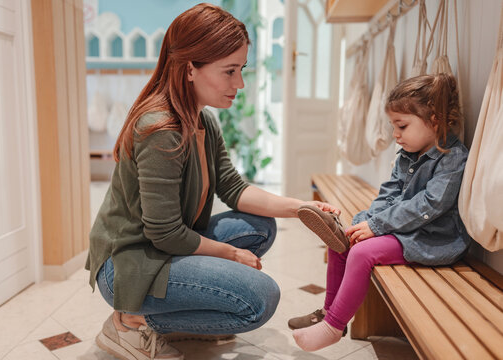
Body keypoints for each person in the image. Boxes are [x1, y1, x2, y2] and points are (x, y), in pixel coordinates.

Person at [85, 4, 340, 360]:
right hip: (131, 265)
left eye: (241, 69)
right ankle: (130, 323)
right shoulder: (160, 130)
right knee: (259, 299)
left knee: (260, 227)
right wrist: (230, 253)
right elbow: (165, 233)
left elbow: (234, 190)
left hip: (163, 249)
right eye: (229, 71)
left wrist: (301, 208)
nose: (239, 83)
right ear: (191, 69)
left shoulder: (204, 121)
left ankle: (172, 318)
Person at [289, 73, 471, 352]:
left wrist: (378, 226)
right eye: (393, 126)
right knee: (345, 241)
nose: (395, 134)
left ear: (434, 120)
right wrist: (371, 222)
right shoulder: (408, 154)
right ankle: (328, 311)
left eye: (402, 126)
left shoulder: (452, 156)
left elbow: (430, 205)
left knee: (363, 253)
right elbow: (389, 192)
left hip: (432, 240)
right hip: (403, 229)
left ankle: (334, 327)